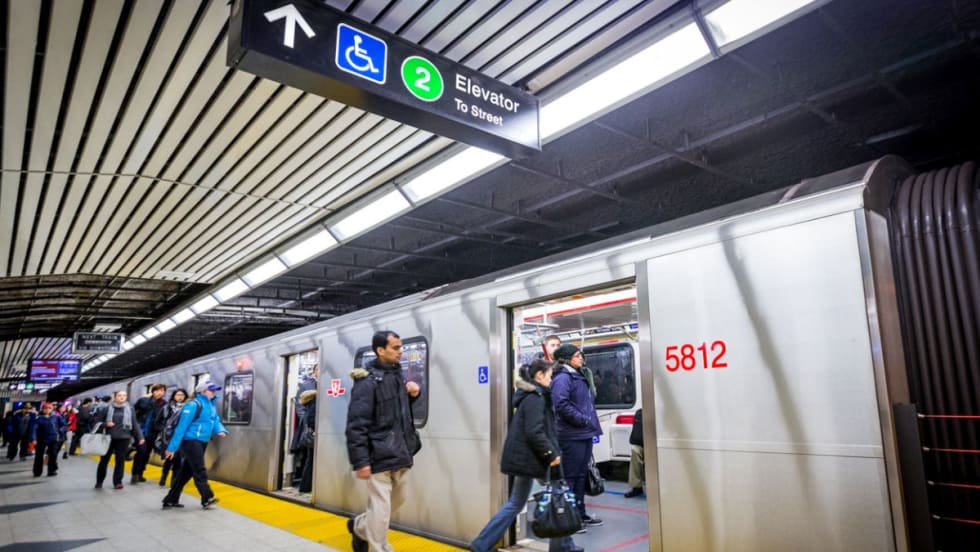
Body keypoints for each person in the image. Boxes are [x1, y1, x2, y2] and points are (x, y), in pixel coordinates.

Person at [470, 359, 581, 552]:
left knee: (516, 503)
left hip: (526, 458)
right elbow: (534, 431)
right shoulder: (535, 398)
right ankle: (562, 546)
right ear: (539, 376)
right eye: (549, 375)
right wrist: (551, 454)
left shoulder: (531, 396)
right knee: (557, 496)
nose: (551, 379)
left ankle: (481, 544)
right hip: (534, 458)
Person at [346, 330, 422, 552]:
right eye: (396, 348)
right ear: (381, 350)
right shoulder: (367, 382)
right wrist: (360, 461)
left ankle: (358, 526)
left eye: (401, 347)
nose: (401, 351)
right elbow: (356, 424)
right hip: (378, 454)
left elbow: (401, 414)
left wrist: (413, 396)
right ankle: (381, 548)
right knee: (380, 510)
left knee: (397, 501)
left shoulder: (398, 377)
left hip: (402, 452)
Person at [551, 343, 603, 529]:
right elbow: (561, 404)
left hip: (583, 432)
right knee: (571, 477)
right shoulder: (563, 378)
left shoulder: (577, 375)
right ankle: (570, 519)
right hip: (571, 434)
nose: (581, 358)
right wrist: (582, 419)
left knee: (581, 475)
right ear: (566, 359)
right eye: (577, 355)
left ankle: (580, 514)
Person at [162, 381, 227, 510]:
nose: (214, 392)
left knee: (186, 472)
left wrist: (220, 429)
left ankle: (170, 499)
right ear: (202, 391)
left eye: (214, 390)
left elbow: (214, 420)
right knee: (199, 469)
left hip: (202, 441)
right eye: (211, 390)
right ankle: (207, 497)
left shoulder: (211, 405)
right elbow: (181, 428)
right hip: (190, 441)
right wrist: (172, 448)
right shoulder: (192, 405)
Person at [94, 391, 145, 490]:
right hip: (108, 438)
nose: (122, 397)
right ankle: (99, 481)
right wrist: (105, 424)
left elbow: (134, 423)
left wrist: (140, 437)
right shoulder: (106, 409)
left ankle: (118, 482)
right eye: (120, 395)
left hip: (124, 438)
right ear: (115, 397)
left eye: (124, 395)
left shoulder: (130, 409)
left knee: (120, 461)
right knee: (104, 461)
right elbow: (96, 422)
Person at [132, 383, 167, 483]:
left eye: (162, 391)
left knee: (147, 453)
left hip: (153, 433)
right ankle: (135, 474)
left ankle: (140, 473)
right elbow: (133, 412)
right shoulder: (143, 401)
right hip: (141, 431)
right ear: (153, 391)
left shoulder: (164, 404)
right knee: (141, 452)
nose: (159, 393)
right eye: (157, 390)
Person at [157, 388, 188, 487]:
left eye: (182, 395)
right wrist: (164, 430)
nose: (180, 397)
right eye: (178, 395)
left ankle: (173, 481)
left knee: (178, 461)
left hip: (181, 437)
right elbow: (157, 422)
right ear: (174, 396)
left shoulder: (188, 408)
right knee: (169, 459)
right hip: (169, 438)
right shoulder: (167, 408)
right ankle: (164, 477)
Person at [31, 403, 65, 477]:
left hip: (53, 438)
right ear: (42, 409)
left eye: (49, 408)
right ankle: (37, 472)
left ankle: (52, 470)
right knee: (39, 456)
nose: (47, 410)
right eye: (45, 408)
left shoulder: (56, 417)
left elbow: (63, 425)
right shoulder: (39, 418)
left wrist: (59, 431)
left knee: (53, 455)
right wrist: (34, 438)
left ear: (52, 409)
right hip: (41, 439)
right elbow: (34, 429)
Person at [296, 389, 317, 493]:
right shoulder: (314, 406)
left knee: (310, 461)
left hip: (309, 438)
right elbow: (312, 421)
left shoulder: (308, 406)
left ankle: (305, 486)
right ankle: (305, 486)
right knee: (311, 461)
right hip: (313, 438)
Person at [624, 408, 644, 498]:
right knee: (635, 450)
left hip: (656, 444)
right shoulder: (640, 412)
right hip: (642, 444)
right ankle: (636, 487)